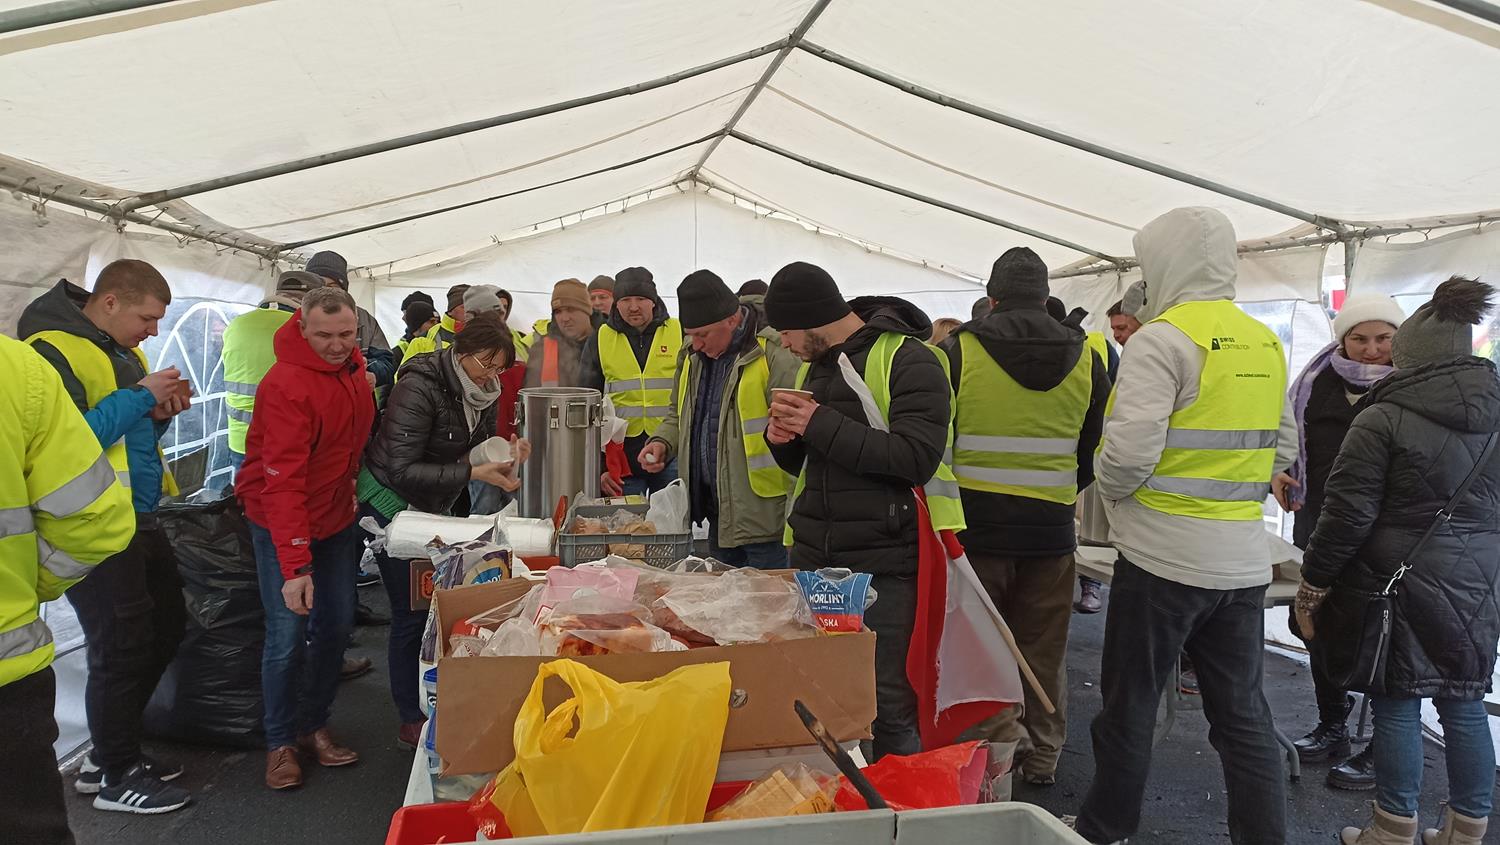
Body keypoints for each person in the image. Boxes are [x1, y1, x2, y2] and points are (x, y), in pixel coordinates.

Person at [1072, 208, 1295, 845]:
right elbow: (1284, 446)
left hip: (1161, 560)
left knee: (1131, 707)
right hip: (1243, 561)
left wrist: (1115, 496)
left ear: (1163, 263)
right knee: (1243, 716)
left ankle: (1104, 830)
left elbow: (1128, 456)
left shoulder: (1161, 339)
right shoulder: (1261, 339)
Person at [1297, 277, 1500, 845]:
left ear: (1407, 354)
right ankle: (1466, 831)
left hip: (1395, 580)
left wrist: (1314, 584)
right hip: (1480, 579)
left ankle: (1391, 829)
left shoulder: (1382, 416)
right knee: (1464, 702)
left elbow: (1347, 515)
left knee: (1397, 700)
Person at [763, 261, 962, 758]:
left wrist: (817, 423)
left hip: (886, 565)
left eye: (786, 331)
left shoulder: (912, 360)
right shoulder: (817, 364)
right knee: (822, 693)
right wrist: (784, 441)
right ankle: (842, 799)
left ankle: (898, 802)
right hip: (817, 559)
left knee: (887, 701)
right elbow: (816, 464)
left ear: (811, 317)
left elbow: (914, 459)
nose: (783, 343)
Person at [20, 261, 194, 814]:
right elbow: (70, 442)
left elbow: (130, 436)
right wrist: (141, 396)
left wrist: (160, 412)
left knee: (165, 628)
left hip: (137, 516)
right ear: (111, 301)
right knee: (119, 644)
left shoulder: (123, 352)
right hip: (87, 524)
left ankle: (110, 753)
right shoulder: (48, 351)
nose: (153, 331)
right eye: (147, 318)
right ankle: (117, 774)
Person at [946, 248, 1110, 786]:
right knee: (1044, 650)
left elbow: (939, 442)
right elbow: (1092, 449)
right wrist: (1057, 492)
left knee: (983, 648)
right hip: (1052, 531)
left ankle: (997, 754)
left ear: (992, 299)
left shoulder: (960, 350)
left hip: (976, 531)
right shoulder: (1088, 356)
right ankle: (1043, 755)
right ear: (1045, 298)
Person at [359, 311, 528, 747]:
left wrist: (505, 458)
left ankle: (436, 699)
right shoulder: (419, 386)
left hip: (433, 504)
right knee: (411, 610)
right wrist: (472, 473)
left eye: (499, 368)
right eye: (485, 363)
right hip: (392, 503)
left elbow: (474, 450)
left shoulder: (485, 391)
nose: (491, 375)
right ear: (461, 351)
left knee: (435, 604)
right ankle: (409, 716)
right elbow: (402, 467)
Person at [236, 286, 376, 791]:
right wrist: (295, 566)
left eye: (346, 334)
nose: (337, 345)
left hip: (335, 517)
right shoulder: (285, 385)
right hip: (281, 521)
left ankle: (313, 723)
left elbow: (350, 445)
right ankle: (279, 742)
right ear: (302, 327)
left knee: (336, 625)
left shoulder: (355, 370)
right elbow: (282, 481)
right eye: (324, 336)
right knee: (286, 633)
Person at [1, 335, 135, 845]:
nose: (152, 329)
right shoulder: (20, 367)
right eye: (147, 317)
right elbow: (94, 522)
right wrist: (27, 586)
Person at [1270, 295, 1404, 788]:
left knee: (1382, 637)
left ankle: (1384, 744)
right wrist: (1279, 470)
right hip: (1319, 521)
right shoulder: (1315, 381)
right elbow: (1290, 438)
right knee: (1315, 623)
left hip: (1384, 533)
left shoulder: (1409, 387)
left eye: (1383, 338)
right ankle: (1332, 725)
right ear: (1342, 338)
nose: (1371, 349)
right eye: (1359, 338)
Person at [643, 271, 799, 567]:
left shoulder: (774, 352)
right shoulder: (690, 355)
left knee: (767, 595)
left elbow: (797, 434)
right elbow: (677, 413)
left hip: (765, 516)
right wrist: (663, 441)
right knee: (723, 593)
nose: (696, 344)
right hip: (716, 510)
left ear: (732, 319)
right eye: (690, 334)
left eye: (703, 335)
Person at [582, 266, 683, 496]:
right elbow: (587, 406)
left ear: (653, 301)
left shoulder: (679, 332)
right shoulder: (600, 338)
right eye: (626, 300)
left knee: (673, 517)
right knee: (626, 518)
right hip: (621, 459)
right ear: (616, 303)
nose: (634, 307)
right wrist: (600, 467)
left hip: (671, 452)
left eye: (641, 299)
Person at [222, 270, 321, 475]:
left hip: (240, 441)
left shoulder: (236, 324)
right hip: (286, 443)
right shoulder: (304, 330)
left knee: (246, 495)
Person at [307, 250, 394, 388]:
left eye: (332, 287)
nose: (324, 292)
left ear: (344, 289)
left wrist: (371, 372)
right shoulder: (297, 317)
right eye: (318, 286)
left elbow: (387, 363)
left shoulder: (365, 320)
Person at [525, 279, 595, 388]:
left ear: (587, 311)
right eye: (558, 312)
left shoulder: (606, 344)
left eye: (571, 310)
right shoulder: (542, 349)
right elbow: (530, 392)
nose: (565, 318)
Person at [401, 284, 469, 364]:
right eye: (464, 306)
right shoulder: (423, 340)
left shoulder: (480, 337)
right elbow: (405, 371)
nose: (470, 311)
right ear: (451, 310)